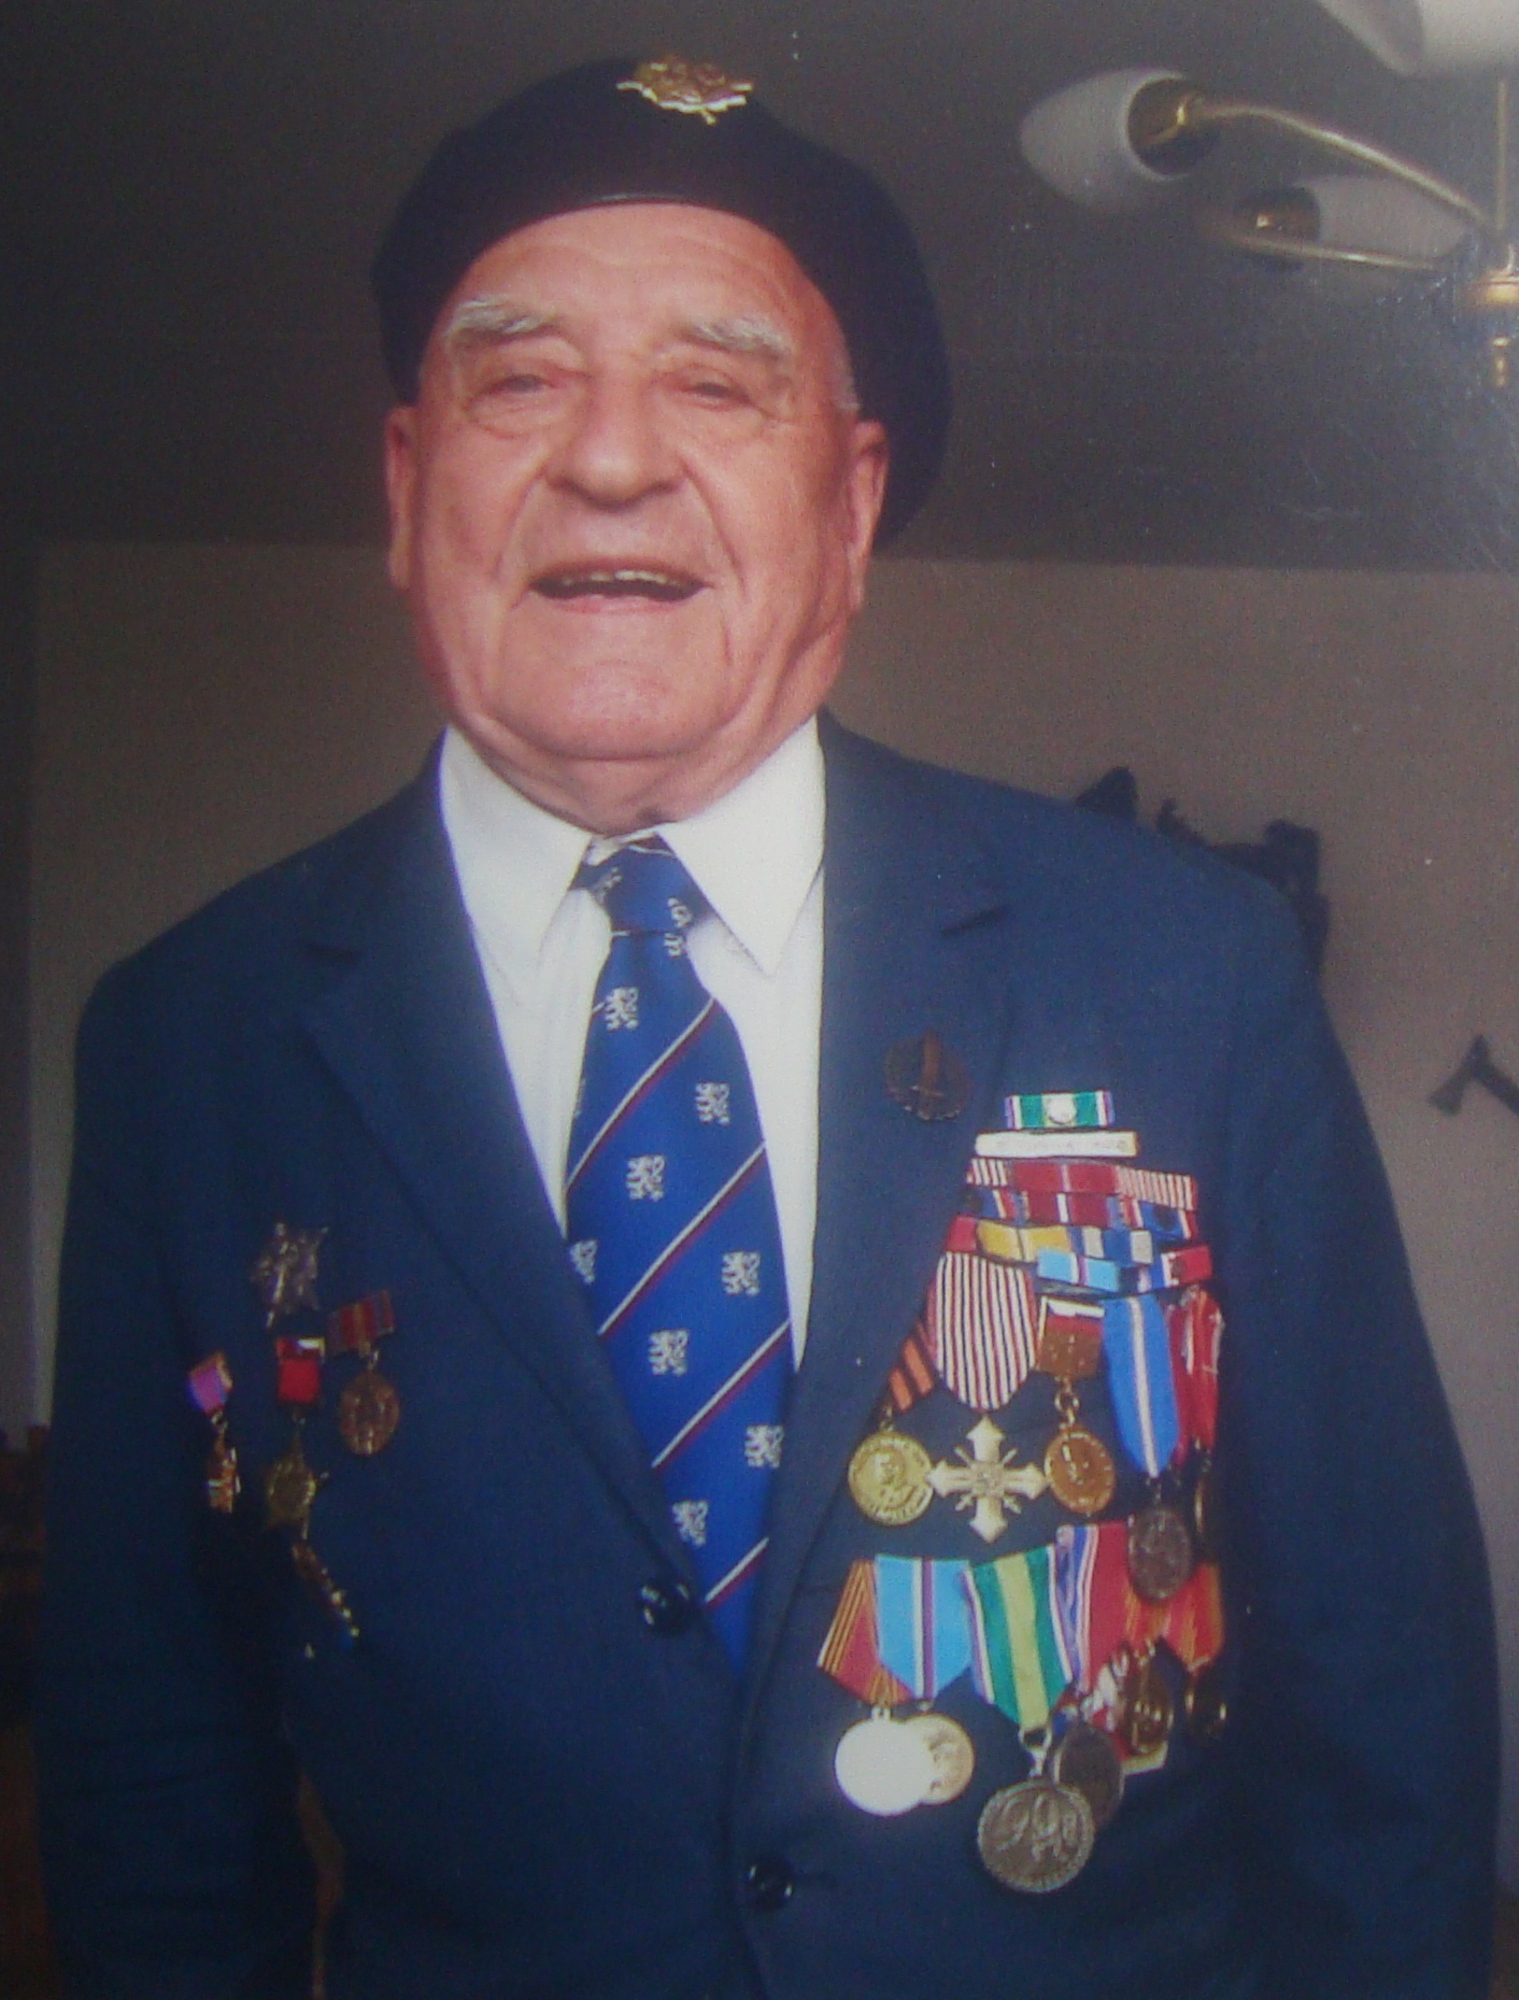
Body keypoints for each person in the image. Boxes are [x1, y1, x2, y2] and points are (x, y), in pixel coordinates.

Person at [37, 54, 1496, 2000]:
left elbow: (1383, 1714)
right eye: (520, 380)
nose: (610, 460)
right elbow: (150, 1775)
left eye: (718, 387)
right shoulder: (190, 1041)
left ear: (853, 500)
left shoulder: (1187, 971)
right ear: (405, 484)